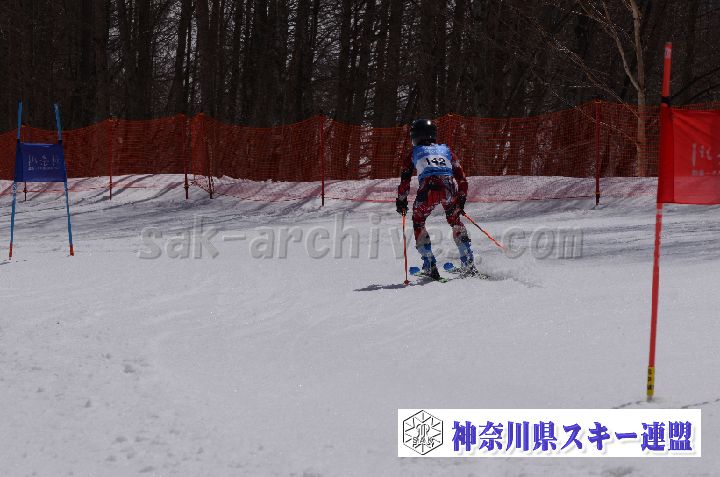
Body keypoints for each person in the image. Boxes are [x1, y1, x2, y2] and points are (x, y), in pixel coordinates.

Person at [396, 118, 476, 279]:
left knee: (418, 221)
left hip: (428, 190)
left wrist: (401, 200)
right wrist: (461, 198)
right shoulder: (446, 150)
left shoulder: (414, 152)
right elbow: (461, 178)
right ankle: (468, 262)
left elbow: (405, 179)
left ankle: (429, 264)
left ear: (416, 136)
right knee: (455, 221)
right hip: (449, 189)